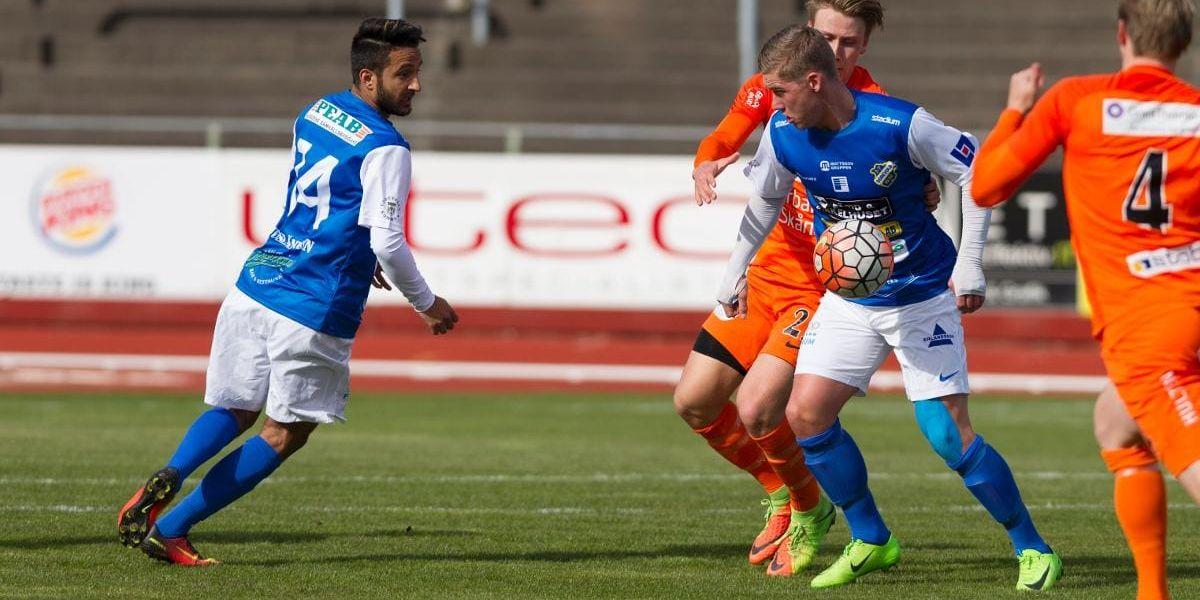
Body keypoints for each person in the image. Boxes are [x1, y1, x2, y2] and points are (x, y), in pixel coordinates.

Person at [723, 25, 1062, 590]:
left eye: (780, 92)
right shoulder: (784, 132)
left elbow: (975, 168)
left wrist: (969, 264)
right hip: (850, 299)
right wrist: (734, 271)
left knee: (947, 435)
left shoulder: (900, 123)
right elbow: (765, 200)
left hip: (921, 297)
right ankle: (872, 538)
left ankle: (1033, 547)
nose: (773, 105)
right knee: (806, 415)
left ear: (814, 81)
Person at [116, 17, 458, 566]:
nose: (416, 84)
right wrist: (428, 303)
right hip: (314, 303)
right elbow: (390, 241)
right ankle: (173, 527)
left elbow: (327, 204)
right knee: (285, 432)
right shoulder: (388, 147)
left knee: (235, 406)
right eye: (405, 73)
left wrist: (360, 248)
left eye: (417, 73)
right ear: (368, 78)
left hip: (258, 282)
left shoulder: (316, 111)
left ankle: (171, 473)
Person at [677, 1, 940, 576]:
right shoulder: (778, 86)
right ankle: (779, 490)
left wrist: (927, 191)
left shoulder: (873, 107)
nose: (837, 51)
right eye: (826, 36)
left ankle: (809, 508)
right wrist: (707, 161)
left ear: (863, 47)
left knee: (758, 406)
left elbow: (915, 173)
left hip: (821, 286)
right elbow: (728, 134)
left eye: (849, 42)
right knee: (694, 401)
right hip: (767, 270)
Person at [973, 1, 1200, 597]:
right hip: (1187, 306)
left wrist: (1014, 110)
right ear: (1184, 42)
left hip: (1147, 320)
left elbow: (986, 183)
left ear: (1122, 34)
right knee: (1116, 425)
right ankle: (1153, 592)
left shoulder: (1078, 100)